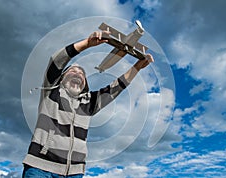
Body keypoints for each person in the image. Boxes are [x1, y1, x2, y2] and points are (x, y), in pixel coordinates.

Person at [22, 30, 154, 178]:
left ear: (85, 84)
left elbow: (115, 88)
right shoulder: (51, 91)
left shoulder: (89, 103)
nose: (78, 73)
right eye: (72, 71)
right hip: (41, 167)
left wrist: (137, 67)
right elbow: (56, 60)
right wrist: (87, 44)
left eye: (82, 74)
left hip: (74, 173)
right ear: (61, 78)